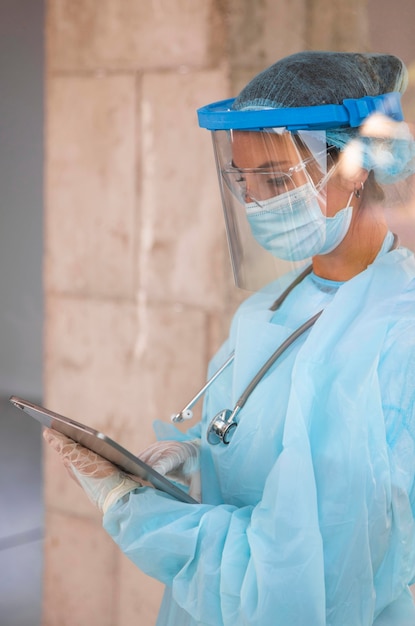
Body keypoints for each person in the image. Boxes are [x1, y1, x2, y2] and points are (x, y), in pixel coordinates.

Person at [44, 51, 415, 625]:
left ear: (358, 165)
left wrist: (133, 511)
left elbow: (293, 588)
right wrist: (196, 456)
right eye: (243, 180)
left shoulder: (397, 340)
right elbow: (258, 434)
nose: (256, 202)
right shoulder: (269, 307)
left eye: (274, 178)